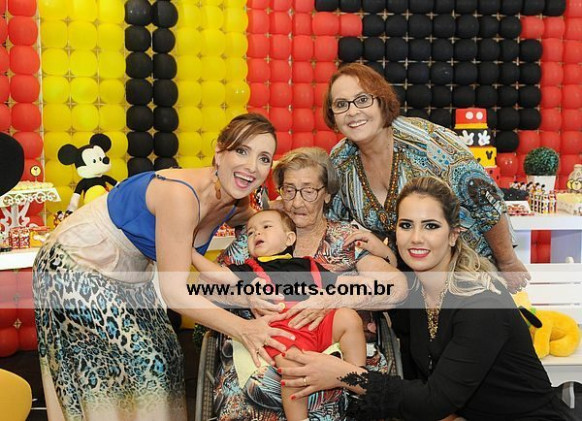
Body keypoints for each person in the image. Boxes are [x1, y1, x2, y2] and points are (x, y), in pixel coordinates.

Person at [32, 113, 296, 421]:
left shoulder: (235, 203)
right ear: (219, 151)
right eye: (241, 151)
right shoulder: (180, 195)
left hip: (131, 269)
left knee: (169, 357)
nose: (252, 166)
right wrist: (245, 329)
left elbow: (264, 220)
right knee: (144, 364)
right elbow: (174, 293)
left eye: (263, 158)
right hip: (76, 261)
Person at [278, 176, 566, 421]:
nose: (416, 237)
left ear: (453, 235)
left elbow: (433, 401)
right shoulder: (416, 289)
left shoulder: (482, 304)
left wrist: (344, 374)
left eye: (430, 226)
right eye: (406, 225)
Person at [213, 146, 407, 420]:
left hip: (337, 357)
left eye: (308, 191)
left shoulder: (345, 238)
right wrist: (247, 296)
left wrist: (334, 298)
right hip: (264, 355)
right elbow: (208, 288)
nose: (296, 202)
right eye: (289, 190)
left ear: (326, 194)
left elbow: (396, 287)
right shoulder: (256, 234)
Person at [323, 63, 529, 293]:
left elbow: (486, 201)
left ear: (382, 101)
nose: (352, 112)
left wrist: (507, 262)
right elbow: (333, 223)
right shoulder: (340, 161)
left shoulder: (428, 143)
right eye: (341, 104)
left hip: (473, 272)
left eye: (362, 100)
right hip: (412, 280)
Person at [192, 209, 366, 421]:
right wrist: (190, 253)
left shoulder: (310, 265)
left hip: (316, 323)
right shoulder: (249, 269)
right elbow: (216, 275)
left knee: (349, 317)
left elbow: (344, 288)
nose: (257, 233)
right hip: (282, 331)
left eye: (266, 227)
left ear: (289, 238)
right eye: (250, 232)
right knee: (293, 369)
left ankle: (357, 384)